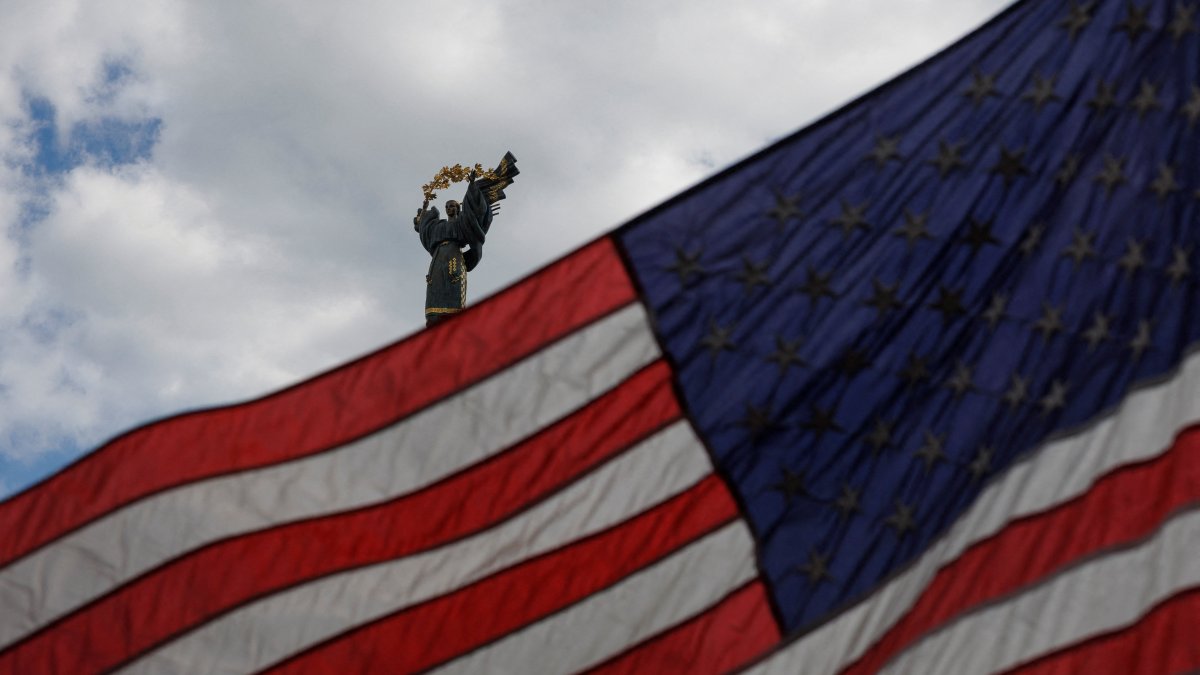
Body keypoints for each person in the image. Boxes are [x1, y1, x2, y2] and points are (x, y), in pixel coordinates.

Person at [413, 174, 494, 327]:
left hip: (454, 258)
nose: (449, 208)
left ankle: (453, 320)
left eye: (452, 206)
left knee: (453, 285)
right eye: (447, 206)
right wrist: (424, 210)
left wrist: (472, 186)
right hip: (438, 259)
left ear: (458, 209)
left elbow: (473, 214)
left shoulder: (461, 222)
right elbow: (424, 228)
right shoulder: (438, 225)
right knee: (435, 289)